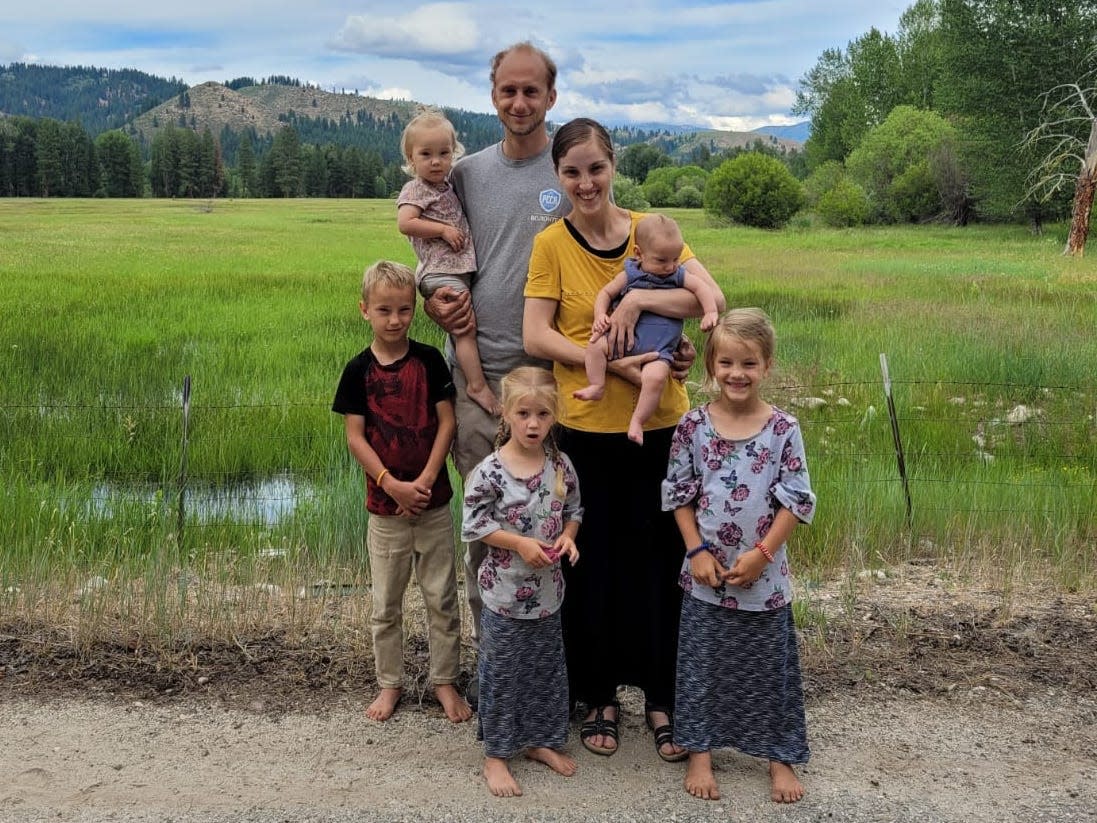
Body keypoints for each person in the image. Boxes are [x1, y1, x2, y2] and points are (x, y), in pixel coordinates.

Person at [523, 117, 726, 761]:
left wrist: (639, 307)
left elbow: (704, 298)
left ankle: (663, 698)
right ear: (557, 176)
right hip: (585, 431)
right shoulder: (551, 243)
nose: (586, 183)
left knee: (663, 561)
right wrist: (609, 363)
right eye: (572, 171)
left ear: (614, 167)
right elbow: (536, 335)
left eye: (596, 168)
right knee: (593, 565)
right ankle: (599, 695)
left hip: (663, 424)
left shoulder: (653, 231)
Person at [422, 42, 571, 708]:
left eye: (530, 91)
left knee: (555, 531)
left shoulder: (569, 170)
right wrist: (432, 297)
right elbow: (434, 253)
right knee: (490, 535)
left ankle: (557, 673)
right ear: (492, 96)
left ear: (550, 96)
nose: (518, 103)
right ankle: (498, 673)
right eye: (507, 91)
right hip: (478, 387)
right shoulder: (465, 174)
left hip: (550, 386)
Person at [660, 308, 816, 803]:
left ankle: (779, 756)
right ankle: (700, 752)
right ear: (711, 366)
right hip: (705, 572)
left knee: (769, 665)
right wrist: (697, 550)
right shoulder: (692, 426)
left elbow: (797, 498)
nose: (736, 373)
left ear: (767, 365)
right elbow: (678, 495)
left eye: (748, 363)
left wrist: (763, 554)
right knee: (703, 664)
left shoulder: (784, 429)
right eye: (725, 362)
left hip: (763, 576)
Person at [331, 260, 472, 724]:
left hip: (433, 505)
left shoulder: (430, 361)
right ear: (364, 311)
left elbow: (447, 422)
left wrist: (427, 481)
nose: (395, 320)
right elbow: (356, 437)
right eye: (385, 310)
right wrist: (392, 484)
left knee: (441, 599)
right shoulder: (357, 371)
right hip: (385, 509)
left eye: (405, 310)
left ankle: (444, 682)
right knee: (385, 604)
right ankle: (389, 684)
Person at [461, 366, 583, 797]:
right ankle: (496, 754)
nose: (533, 423)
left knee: (545, 670)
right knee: (504, 673)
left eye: (543, 414)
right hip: (504, 594)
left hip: (549, 595)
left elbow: (574, 513)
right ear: (506, 415)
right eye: (524, 413)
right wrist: (518, 543)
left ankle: (538, 741)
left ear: (555, 416)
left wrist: (568, 540)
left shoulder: (560, 466)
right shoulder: (490, 472)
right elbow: (474, 524)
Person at [574, 213, 719, 444]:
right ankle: (596, 385)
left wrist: (710, 312)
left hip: (658, 351)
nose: (670, 266)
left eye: (675, 259)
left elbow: (703, 289)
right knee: (594, 347)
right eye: (662, 260)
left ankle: (638, 421)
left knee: (655, 378)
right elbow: (606, 293)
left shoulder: (677, 275)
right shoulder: (630, 274)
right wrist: (600, 315)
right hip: (619, 341)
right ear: (639, 253)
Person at [396, 110, 498, 416]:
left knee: (465, 323)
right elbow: (405, 223)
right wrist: (442, 229)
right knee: (464, 327)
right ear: (411, 159)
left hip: (454, 271)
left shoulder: (445, 186)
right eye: (426, 154)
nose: (436, 161)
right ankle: (477, 386)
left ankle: (476, 381)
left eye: (444, 153)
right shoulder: (416, 189)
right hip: (440, 272)